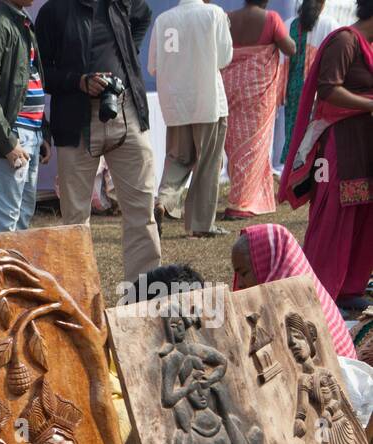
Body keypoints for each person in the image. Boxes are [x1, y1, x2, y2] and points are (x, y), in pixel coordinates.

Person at [36, 0, 162, 285]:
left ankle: (143, 298)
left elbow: (143, 16)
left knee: (142, 211)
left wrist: (128, 55)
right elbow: (41, 73)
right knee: (75, 219)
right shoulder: (53, 11)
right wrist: (78, 81)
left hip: (125, 108)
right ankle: (80, 300)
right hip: (75, 119)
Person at [279, 0, 373, 312]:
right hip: (338, 147)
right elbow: (329, 89)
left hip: (362, 147)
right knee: (334, 215)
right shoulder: (345, 41)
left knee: (362, 214)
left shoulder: (367, 46)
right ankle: (317, 290)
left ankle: (348, 288)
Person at [149, 0, 234, 237]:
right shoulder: (214, 14)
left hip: (176, 102)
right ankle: (200, 224)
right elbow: (225, 58)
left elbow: (154, 66)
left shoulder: (163, 20)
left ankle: (163, 202)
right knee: (208, 163)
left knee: (177, 158)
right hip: (208, 100)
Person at [0, 0, 51, 233]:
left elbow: (29, 82)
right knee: (2, 225)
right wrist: (8, 142)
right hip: (12, 137)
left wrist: (41, 131)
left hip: (29, 134)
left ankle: (12, 271)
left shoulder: (21, 23)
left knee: (21, 220)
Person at [231, 223, 357, 356]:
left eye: (244, 273)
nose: (239, 284)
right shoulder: (291, 289)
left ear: (267, 266)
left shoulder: (291, 302)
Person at [223, 0, 296, 219]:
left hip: (229, 85)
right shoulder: (272, 18)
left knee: (234, 143)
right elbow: (289, 48)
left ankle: (244, 196)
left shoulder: (229, 18)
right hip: (256, 91)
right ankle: (241, 204)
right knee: (253, 146)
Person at [285, 0, 341, 147]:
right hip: (318, 89)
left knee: (293, 133)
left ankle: (290, 166)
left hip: (292, 89)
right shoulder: (331, 25)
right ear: (323, 4)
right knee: (313, 136)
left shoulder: (289, 24)